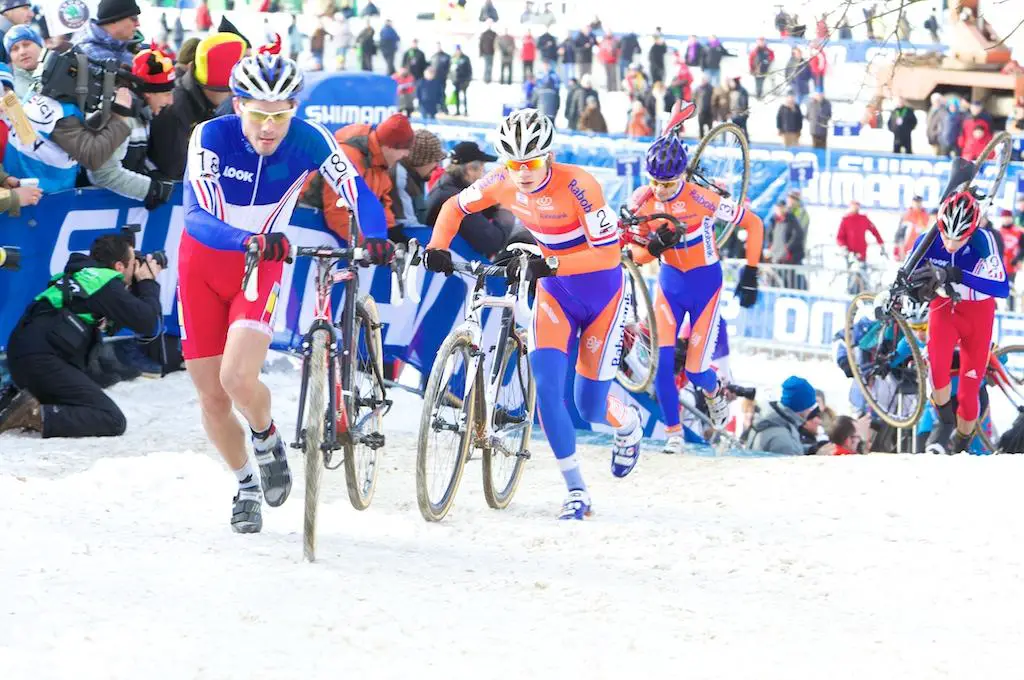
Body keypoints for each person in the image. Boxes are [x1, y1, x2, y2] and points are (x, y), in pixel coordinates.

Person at [178, 50, 393, 534]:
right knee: (212, 397)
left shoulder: (310, 138)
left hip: (262, 266)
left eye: (281, 114)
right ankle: (246, 484)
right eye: (258, 113)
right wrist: (245, 239)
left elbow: (354, 187)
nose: (269, 126)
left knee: (237, 377)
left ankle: (265, 433)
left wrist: (374, 232)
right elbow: (196, 215)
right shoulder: (209, 136)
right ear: (238, 106)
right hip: (205, 264)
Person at [423, 109, 642, 520]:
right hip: (556, 293)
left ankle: (626, 423)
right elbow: (453, 207)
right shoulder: (502, 180)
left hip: (602, 294)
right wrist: (437, 246)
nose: (523, 172)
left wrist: (555, 264)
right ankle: (576, 490)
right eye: (514, 163)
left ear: (550, 155)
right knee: (546, 386)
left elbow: (609, 254)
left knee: (591, 407)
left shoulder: (580, 185)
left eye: (532, 162)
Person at [623, 135, 764, 454]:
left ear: (683, 176)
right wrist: (650, 249)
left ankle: (715, 392)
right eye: (655, 182)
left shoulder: (704, 199)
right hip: (670, 286)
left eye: (669, 184)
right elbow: (634, 253)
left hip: (705, 288)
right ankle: (674, 434)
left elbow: (753, 224)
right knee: (661, 365)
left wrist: (751, 270)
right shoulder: (642, 200)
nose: (660, 189)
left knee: (697, 371)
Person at [0, 234, 162, 437]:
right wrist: (148, 283)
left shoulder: (81, 277)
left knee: (98, 383)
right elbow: (148, 322)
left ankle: (13, 400)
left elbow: (112, 323)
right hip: (42, 361)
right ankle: (32, 413)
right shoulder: (104, 281)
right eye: (133, 264)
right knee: (111, 419)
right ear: (120, 267)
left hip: (25, 357)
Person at [905, 179, 1009, 454]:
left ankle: (961, 443)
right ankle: (945, 421)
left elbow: (1001, 287)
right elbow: (903, 275)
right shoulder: (928, 238)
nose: (951, 244)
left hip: (977, 315)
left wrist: (956, 274)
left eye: (959, 238)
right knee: (937, 375)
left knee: (967, 392)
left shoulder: (983, 241)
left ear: (972, 230)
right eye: (946, 236)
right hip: (943, 309)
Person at [746, 376, 822, 455]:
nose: (811, 410)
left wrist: (811, 450)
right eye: (811, 406)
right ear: (802, 406)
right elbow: (792, 458)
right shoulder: (781, 437)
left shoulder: (775, 421)